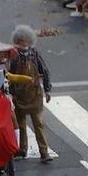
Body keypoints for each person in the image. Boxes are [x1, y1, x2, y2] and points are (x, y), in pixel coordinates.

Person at [7, 23, 55, 161]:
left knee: (38, 123)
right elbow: (9, 75)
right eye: (20, 41)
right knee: (21, 124)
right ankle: (22, 149)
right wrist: (10, 93)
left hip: (34, 94)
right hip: (19, 95)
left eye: (24, 40)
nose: (22, 43)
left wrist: (47, 90)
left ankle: (44, 152)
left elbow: (44, 71)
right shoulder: (13, 55)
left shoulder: (34, 53)